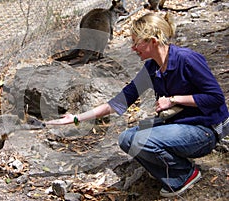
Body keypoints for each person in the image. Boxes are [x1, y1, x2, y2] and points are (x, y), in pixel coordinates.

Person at [46, 12, 229, 198]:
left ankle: (185, 174)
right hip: (180, 124)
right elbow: (120, 102)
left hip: (205, 129)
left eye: (136, 42)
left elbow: (216, 98)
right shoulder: (152, 67)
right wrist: (76, 118)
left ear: (152, 40)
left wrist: (173, 100)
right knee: (126, 139)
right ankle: (169, 170)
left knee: (142, 140)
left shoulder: (187, 59)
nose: (133, 48)